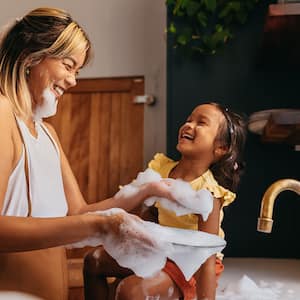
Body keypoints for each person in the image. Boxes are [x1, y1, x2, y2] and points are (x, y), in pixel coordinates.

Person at [0, 7, 174, 300]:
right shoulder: (3, 115)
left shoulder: (47, 134)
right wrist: (100, 225)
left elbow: (78, 212)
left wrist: (144, 191)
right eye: (68, 65)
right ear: (31, 56)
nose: (73, 81)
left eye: (77, 71)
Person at [83, 102, 247, 300]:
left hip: (189, 264)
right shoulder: (161, 170)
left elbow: (206, 257)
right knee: (93, 261)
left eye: (201, 123)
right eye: (189, 119)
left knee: (130, 290)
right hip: (159, 250)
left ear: (221, 147)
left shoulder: (207, 193)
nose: (189, 125)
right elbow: (149, 213)